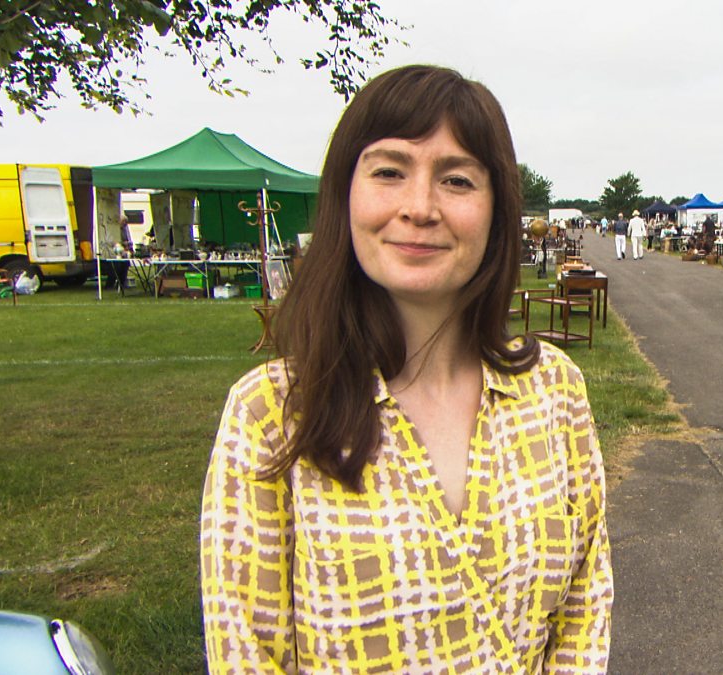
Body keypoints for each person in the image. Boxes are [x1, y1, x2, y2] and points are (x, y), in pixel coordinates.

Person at [200, 65, 612, 673]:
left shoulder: (554, 389)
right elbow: (246, 652)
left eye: (457, 180)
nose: (419, 208)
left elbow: (585, 601)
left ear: (498, 210)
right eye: (390, 172)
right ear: (347, 192)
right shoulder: (271, 411)